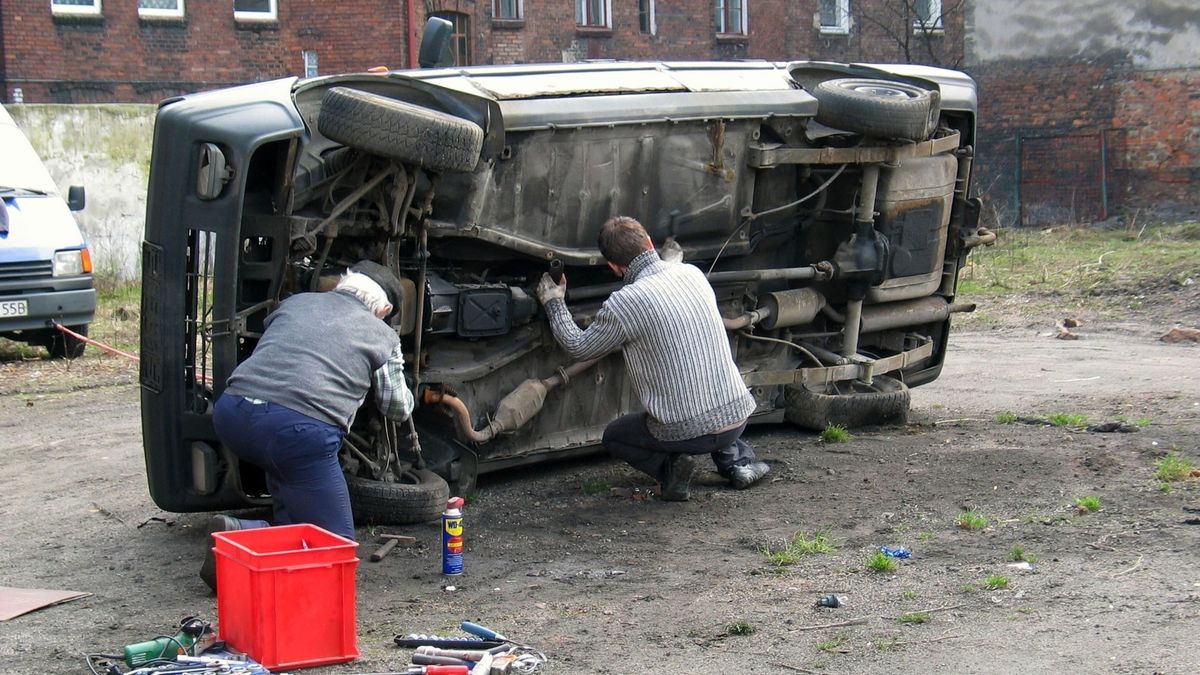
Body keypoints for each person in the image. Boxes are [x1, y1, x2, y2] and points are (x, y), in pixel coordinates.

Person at [199, 261, 414, 591]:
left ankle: (247, 564)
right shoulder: (382, 335)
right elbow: (396, 407)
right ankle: (238, 537)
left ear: (342, 284)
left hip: (233, 411)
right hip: (295, 429)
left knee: (293, 494)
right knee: (337, 544)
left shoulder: (296, 304)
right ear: (384, 308)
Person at [537, 216, 770, 501]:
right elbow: (670, 267)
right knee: (707, 398)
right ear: (649, 243)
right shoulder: (692, 274)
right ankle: (739, 465)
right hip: (739, 416)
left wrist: (554, 303)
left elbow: (579, 347)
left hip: (687, 432)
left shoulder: (625, 303)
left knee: (616, 436)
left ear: (613, 267)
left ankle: (672, 472)